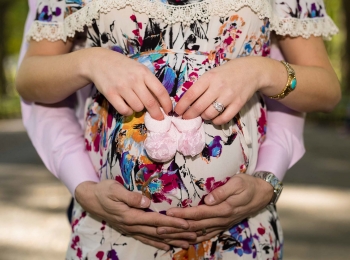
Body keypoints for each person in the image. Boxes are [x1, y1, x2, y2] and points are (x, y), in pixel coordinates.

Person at [16, 0, 340, 259]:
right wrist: (89, 61)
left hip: (239, 230)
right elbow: (30, 79)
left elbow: (326, 90)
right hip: (111, 230)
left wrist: (263, 71)